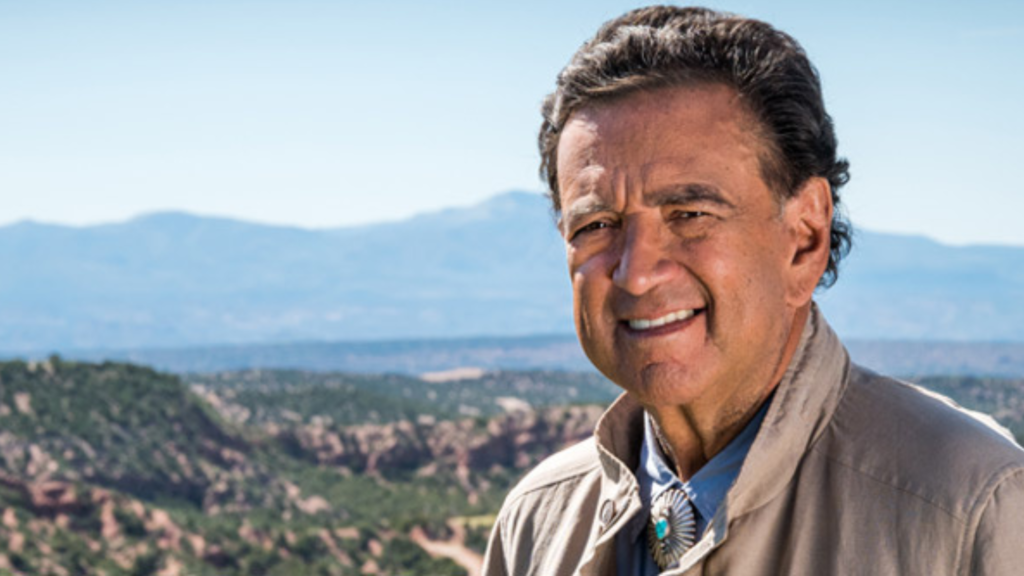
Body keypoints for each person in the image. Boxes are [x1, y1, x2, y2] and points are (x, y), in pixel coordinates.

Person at [482, 6, 1024, 575]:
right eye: (596, 226)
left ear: (804, 239)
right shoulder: (538, 524)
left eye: (689, 213)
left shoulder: (972, 510)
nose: (635, 273)